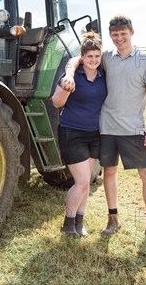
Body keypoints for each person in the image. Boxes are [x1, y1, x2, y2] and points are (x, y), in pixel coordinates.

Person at [61, 15, 146, 242]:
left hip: (134, 129)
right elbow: (77, 60)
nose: (119, 38)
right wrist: (70, 73)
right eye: (115, 34)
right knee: (109, 173)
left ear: (132, 32)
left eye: (123, 33)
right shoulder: (106, 57)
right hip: (107, 128)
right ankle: (113, 220)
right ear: (111, 36)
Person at [51, 31, 107, 238]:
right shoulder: (72, 76)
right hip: (72, 132)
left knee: (87, 181)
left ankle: (79, 221)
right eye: (89, 56)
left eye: (96, 56)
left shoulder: (103, 76)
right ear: (82, 58)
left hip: (95, 134)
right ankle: (68, 222)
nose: (93, 60)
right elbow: (57, 103)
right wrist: (66, 87)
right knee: (82, 181)